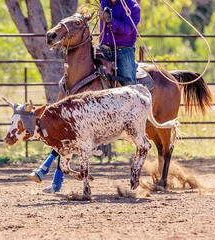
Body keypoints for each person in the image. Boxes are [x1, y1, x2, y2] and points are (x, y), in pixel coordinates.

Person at [28, 0, 141, 193]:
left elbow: (130, 30)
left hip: (124, 52)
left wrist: (111, 20)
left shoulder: (132, 6)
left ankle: (131, 120)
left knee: (131, 88)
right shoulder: (105, 1)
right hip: (104, 48)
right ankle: (54, 180)